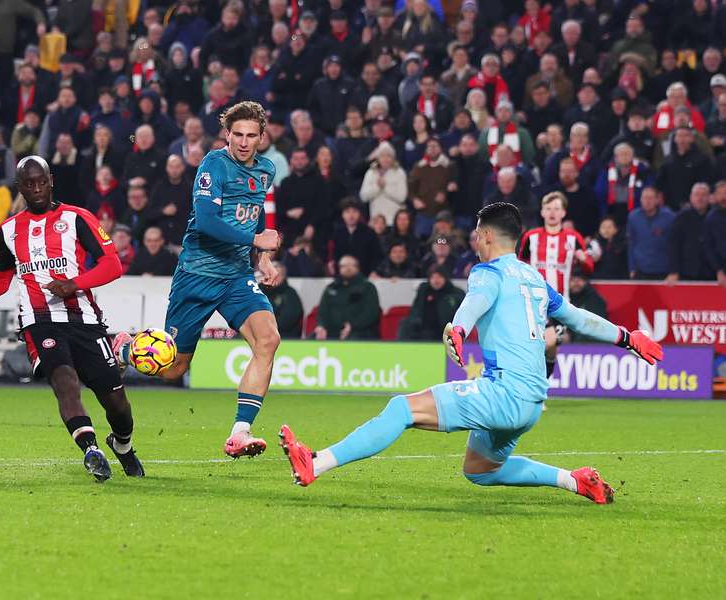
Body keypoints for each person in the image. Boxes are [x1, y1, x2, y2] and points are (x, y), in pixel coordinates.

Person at [279, 201, 663, 503]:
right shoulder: (534, 278)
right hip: (530, 403)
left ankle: (316, 463)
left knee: (401, 409)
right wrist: (628, 338)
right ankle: (575, 481)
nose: (475, 242)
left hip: (504, 394)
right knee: (481, 470)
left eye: (478, 235)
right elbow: (577, 318)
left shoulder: (488, 272)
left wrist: (459, 327)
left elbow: (477, 299)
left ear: (488, 238)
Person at [0, 156, 143, 482]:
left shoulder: (77, 218)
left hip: (84, 320)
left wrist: (74, 283)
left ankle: (122, 445)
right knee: (65, 382)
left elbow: (112, 264)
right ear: (20, 187)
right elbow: (0, 280)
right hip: (39, 322)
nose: (37, 188)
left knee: (117, 404)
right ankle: (91, 449)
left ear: (51, 180)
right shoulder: (9, 230)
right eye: (30, 183)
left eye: (42, 181)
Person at [114, 101, 279, 460]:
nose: (244, 142)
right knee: (174, 369)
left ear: (262, 137)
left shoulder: (266, 170)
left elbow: (250, 218)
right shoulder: (213, 165)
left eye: (252, 135)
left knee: (268, 340)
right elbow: (207, 222)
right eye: (238, 134)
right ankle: (125, 348)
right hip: (198, 275)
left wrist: (263, 257)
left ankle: (240, 432)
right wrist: (255, 242)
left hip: (235, 277)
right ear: (227, 133)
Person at [519, 192, 594, 376]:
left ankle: (539, 387)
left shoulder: (574, 238)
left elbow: (589, 269)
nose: (552, 212)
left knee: (551, 348)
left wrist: (584, 260)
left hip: (561, 304)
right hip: (536, 302)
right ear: (542, 212)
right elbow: (520, 264)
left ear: (563, 213)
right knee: (547, 342)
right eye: (548, 208)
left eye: (557, 209)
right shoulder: (531, 237)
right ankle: (537, 388)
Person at [314, 255, 381, 340]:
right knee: (311, 339)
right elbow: (322, 311)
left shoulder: (367, 287)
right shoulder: (331, 287)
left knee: (353, 339)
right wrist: (321, 326)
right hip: (332, 330)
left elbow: (371, 313)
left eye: (351, 265)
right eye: (344, 266)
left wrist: (352, 325)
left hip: (360, 331)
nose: (347, 268)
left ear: (357, 268)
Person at [398, 266, 465, 340]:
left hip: (445, 330)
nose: (436, 280)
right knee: (405, 324)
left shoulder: (456, 293)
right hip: (423, 328)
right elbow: (415, 310)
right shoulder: (424, 290)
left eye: (439, 277)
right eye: (432, 277)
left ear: (445, 278)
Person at [667, 183, 715, 282]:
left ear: (710, 198)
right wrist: (674, 271)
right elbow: (674, 246)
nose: (700, 198)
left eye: (703, 195)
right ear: (691, 197)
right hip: (687, 272)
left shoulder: (716, 217)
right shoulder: (681, 218)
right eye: (697, 195)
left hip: (713, 273)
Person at [627, 186, 675, 280]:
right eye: (645, 198)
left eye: (651, 198)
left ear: (657, 200)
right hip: (640, 270)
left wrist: (673, 270)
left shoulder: (669, 217)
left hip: (663, 271)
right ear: (640, 199)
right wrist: (631, 268)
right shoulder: (633, 217)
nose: (647, 201)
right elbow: (631, 244)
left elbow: (674, 245)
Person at [262, 261, 303, 339]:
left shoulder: (290, 294)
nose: (274, 277)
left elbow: (287, 320)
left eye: (278, 275)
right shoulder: (259, 291)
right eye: (271, 274)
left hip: (284, 338)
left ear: (283, 277)